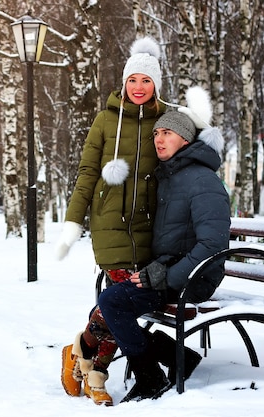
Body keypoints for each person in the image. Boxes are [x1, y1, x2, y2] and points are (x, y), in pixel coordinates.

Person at [97, 86, 231, 402]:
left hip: (196, 277)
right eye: (157, 132)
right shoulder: (171, 176)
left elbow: (213, 244)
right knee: (107, 301)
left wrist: (165, 275)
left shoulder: (202, 180)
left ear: (185, 139)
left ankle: (151, 379)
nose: (158, 139)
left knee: (113, 303)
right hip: (173, 269)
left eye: (167, 133)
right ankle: (177, 357)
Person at [56, 36, 167, 406]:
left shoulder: (165, 121)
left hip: (147, 229)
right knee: (119, 299)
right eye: (133, 80)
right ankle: (98, 375)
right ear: (124, 83)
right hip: (109, 225)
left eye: (146, 81)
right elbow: (88, 173)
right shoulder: (105, 120)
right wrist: (74, 222)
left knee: (115, 303)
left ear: (156, 85)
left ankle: (82, 352)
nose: (138, 87)